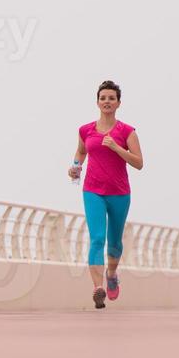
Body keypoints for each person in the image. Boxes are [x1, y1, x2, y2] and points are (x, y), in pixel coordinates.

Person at [67, 80, 145, 309]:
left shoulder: (127, 131)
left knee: (114, 243)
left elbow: (139, 163)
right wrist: (75, 167)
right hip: (93, 190)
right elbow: (81, 152)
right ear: (97, 102)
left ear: (118, 103)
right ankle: (97, 288)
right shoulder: (86, 130)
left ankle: (111, 274)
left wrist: (117, 148)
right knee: (97, 238)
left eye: (111, 98)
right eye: (103, 98)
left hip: (119, 193)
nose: (107, 102)